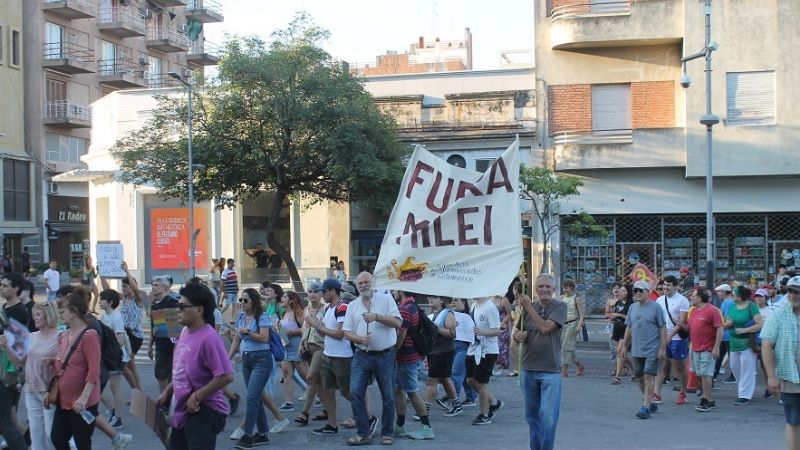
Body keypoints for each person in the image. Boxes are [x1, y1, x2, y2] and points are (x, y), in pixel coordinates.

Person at [156, 283, 234, 450]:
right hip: (183, 407)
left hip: (204, 410)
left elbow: (226, 375)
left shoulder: (209, 338)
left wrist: (197, 396)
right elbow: (181, 371)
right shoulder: (184, 332)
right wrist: (167, 391)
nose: (178, 309)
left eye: (183, 306)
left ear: (199, 310)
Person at [342, 272, 402, 445]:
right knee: (355, 393)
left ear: (373, 283)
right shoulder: (352, 305)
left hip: (384, 355)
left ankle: (387, 432)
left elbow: (398, 323)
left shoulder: (386, 299)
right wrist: (359, 339)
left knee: (388, 396)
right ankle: (364, 433)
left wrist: (377, 317)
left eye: (366, 282)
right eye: (360, 283)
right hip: (361, 355)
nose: (363, 285)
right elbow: (347, 332)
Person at [513, 273, 566, 450]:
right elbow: (518, 332)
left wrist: (528, 308)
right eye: (540, 286)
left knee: (549, 417)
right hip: (528, 368)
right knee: (531, 416)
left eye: (547, 287)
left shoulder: (560, 306)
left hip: (550, 370)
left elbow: (544, 328)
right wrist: (518, 336)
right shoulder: (529, 307)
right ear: (535, 289)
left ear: (554, 289)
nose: (544, 290)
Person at [48, 287, 101, 450]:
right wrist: (49, 389)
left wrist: (84, 398)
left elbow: (94, 370)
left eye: (63, 311)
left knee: (82, 442)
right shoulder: (63, 335)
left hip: (82, 403)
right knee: (57, 438)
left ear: (75, 311)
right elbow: (61, 366)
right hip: (64, 399)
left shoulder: (89, 335)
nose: (60, 314)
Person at [0, 302, 58, 450]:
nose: (35, 318)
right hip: (31, 389)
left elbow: (65, 361)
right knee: (36, 433)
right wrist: (7, 347)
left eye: (38, 315)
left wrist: (53, 361)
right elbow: (20, 362)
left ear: (48, 315)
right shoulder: (31, 336)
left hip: (49, 390)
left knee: (51, 432)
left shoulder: (60, 337)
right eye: (34, 315)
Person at [306, 278, 352, 436]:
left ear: (333, 290)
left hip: (342, 356)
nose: (322, 294)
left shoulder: (342, 306)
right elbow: (325, 331)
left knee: (347, 392)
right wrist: (318, 326)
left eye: (324, 291)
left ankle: (366, 416)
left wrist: (318, 326)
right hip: (328, 353)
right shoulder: (327, 308)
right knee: (327, 391)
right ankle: (332, 425)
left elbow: (340, 334)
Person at [227, 288, 272, 449]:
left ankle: (247, 435)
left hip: (262, 358)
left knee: (252, 397)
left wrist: (249, 332)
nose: (242, 303)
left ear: (253, 301)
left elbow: (264, 337)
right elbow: (237, 340)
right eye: (241, 300)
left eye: (245, 300)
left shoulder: (262, 316)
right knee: (256, 396)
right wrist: (228, 358)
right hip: (247, 359)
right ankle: (262, 433)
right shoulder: (240, 317)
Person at [762, 276, 800, 450]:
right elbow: (767, 344)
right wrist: (771, 377)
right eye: (790, 291)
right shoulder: (778, 314)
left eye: (797, 292)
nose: (792, 295)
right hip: (790, 377)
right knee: (793, 421)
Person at [621, 280, 667, 419]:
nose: (638, 293)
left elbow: (662, 328)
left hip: (652, 348)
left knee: (648, 376)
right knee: (640, 378)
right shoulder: (632, 308)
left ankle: (645, 407)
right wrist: (624, 346)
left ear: (648, 292)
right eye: (635, 291)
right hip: (637, 349)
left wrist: (662, 348)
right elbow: (628, 327)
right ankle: (649, 401)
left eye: (641, 290)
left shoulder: (656, 307)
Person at [0, 273, 33, 450]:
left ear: (15, 289)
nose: (2, 288)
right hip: (3, 366)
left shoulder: (19, 311)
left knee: (4, 417)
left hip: (10, 370)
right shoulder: (5, 307)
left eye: (5, 285)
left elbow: (19, 343)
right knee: (8, 415)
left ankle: (22, 444)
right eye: (1, 285)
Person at [104, 262, 145, 391]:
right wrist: (102, 276)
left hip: (135, 335)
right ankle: (137, 391)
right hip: (125, 334)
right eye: (122, 286)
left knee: (129, 365)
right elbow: (108, 292)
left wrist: (127, 271)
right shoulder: (122, 299)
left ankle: (138, 392)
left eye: (126, 286)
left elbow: (136, 289)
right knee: (129, 365)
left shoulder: (138, 299)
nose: (123, 289)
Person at [653, 275, 691, 405]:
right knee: (661, 365)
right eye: (664, 285)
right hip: (663, 337)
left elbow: (682, 322)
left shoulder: (683, 300)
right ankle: (656, 394)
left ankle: (683, 393)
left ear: (675, 286)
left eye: (668, 285)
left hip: (677, 338)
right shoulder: (659, 300)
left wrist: (670, 336)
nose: (665, 287)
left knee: (680, 366)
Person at [466, 295, 504, 426]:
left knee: (481, 383)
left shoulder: (490, 307)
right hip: (473, 348)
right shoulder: (473, 306)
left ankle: (484, 415)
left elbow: (497, 330)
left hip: (487, 350)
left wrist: (482, 332)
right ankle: (494, 402)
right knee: (470, 380)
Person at [724, 285, 763, 405]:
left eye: (734, 294)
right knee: (734, 366)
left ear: (741, 296)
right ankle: (744, 389)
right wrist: (728, 323)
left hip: (747, 342)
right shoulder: (732, 306)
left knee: (747, 368)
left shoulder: (752, 307)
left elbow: (760, 324)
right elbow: (725, 322)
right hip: (734, 341)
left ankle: (745, 394)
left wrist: (744, 330)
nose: (732, 295)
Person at [686, 287, 723, 412]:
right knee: (699, 374)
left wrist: (716, 347)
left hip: (707, 348)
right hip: (695, 348)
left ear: (700, 297)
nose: (691, 297)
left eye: (693, 295)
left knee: (706, 374)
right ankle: (706, 398)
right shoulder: (694, 311)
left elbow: (719, 328)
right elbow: (690, 328)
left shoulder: (713, 311)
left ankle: (707, 399)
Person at [425, 294, 461, 418]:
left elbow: (452, 333)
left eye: (434, 297)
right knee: (444, 378)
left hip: (444, 351)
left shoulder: (447, 313)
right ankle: (456, 405)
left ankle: (425, 411)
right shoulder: (430, 315)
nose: (430, 299)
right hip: (434, 351)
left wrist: (436, 328)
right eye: (429, 297)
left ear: (441, 300)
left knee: (432, 380)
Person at [295, 282, 326, 425]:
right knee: (318, 381)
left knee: (311, 377)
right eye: (310, 291)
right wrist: (302, 342)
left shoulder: (325, 309)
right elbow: (304, 328)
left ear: (321, 294)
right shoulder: (307, 310)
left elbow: (327, 328)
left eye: (315, 291)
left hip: (320, 347)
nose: (312, 294)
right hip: (308, 348)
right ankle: (326, 410)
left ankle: (305, 413)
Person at [97, 289, 129, 428]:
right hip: (107, 357)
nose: (99, 301)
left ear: (110, 302)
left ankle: (118, 417)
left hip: (115, 358)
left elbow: (120, 340)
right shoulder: (105, 316)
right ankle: (112, 410)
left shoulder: (116, 317)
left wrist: (104, 343)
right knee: (97, 387)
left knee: (115, 388)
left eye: (102, 299)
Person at [278, 291, 309, 411]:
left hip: (297, 347)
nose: (282, 298)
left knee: (306, 375)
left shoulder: (298, 312)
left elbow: (305, 328)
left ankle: (317, 394)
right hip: (286, 348)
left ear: (291, 300)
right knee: (287, 374)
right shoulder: (284, 313)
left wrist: (292, 332)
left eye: (285, 297)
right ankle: (288, 402)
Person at [148, 275, 179, 393]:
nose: (153, 288)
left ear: (165, 288)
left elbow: (176, 329)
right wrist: (150, 345)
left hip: (171, 347)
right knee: (162, 376)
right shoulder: (154, 305)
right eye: (152, 285)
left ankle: (165, 404)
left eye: (156, 285)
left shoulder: (171, 302)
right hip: (160, 346)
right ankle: (167, 404)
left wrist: (161, 329)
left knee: (165, 376)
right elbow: (153, 327)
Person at [450, 298, 477, 407]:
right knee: (465, 374)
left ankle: (453, 400)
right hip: (452, 347)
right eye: (451, 300)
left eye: (456, 300)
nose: (452, 303)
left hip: (464, 348)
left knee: (456, 373)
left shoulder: (469, 316)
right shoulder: (450, 314)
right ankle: (470, 398)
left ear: (464, 302)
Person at [607, 283, 633, 384]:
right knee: (622, 353)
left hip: (626, 330)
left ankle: (618, 376)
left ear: (628, 292)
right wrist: (613, 317)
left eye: (623, 291)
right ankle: (635, 370)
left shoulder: (631, 304)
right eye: (620, 291)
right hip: (617, 328)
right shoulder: (618, 302)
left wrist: (618, 315)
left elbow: (630, 318)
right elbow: (612, 313)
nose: (621, 293)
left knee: (619, 352)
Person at [559, 279, 585, 377]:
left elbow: (581, 313)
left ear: (572, 288)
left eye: (567, 288)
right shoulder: (561, 298)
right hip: (563, 325)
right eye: (564, 288)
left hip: (573, 324)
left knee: (565, 347)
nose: (565, 290)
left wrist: (579, 325)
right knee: (570, 348)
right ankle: (579, 365)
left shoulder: (576, 298)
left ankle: (564, 369)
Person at [713, 283, 735, 382]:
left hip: (727, 334)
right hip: (726, 334)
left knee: (726, 356)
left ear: (723, 292)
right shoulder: (727, 302)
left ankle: (716, 374)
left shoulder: (728, 302)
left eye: (719, 292)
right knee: (722, 355)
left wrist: (721, 327)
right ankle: (714, 374)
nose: (718, 294)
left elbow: (727, 318)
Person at [491, 294, 513, 377]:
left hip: (502, 326)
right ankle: (496, 366)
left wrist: (503, 322)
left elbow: (509, 313)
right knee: (493, 346)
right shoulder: (490, 298)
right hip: (493, 326)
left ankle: (503, 367)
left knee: (502, 347)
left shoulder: (503, 299)